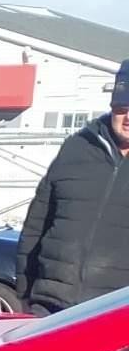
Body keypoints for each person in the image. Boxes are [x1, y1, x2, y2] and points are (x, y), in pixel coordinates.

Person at [18, 62, 129, 311]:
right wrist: (24, 293)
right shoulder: (75, 148)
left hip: (115, 314)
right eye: (123, 108)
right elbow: (36, 225)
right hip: (50, 307)